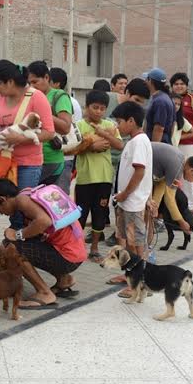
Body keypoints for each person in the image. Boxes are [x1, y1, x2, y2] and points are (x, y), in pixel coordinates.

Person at [0, 179, 87, 308]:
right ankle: (64, 280)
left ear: (3, 199)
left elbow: (44, 221)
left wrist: (18, 234)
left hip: (68, 257)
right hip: (75, 254)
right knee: (10, 245)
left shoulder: (22, 201)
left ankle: (45, 293)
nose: (1, 213)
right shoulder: (28, 194)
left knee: (14, 249)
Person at [0, 60, 54, 230]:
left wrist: (20, 139)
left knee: (20, 209)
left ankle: (18, 242)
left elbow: (49, 132)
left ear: (10, 81)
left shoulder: (36, 97)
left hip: (27, 165)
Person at [74, 90, 122, 262]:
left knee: (100, 213)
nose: (99, 111)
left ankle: (94, 249)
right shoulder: (78, 125)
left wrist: (104, 134)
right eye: (95, 107)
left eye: (102, 108)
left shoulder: (109, 126)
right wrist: (91, 146)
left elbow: (119, 145)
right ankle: (77, 248)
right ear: (87, 107)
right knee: (80, 215)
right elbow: (73, 148)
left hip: (104, 177)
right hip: (85, 178)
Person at [111, 101, 152, 260]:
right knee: (128, 240)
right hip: (126, 200)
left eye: (119, 122)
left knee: (135, 241)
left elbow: (139, 172)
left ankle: (140, 271)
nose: (117, 126)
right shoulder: (133, 141)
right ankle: (131, 270)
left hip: (133, 201)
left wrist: (125, 194)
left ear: (131, 121)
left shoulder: (140, 142)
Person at [148, 142, 193, 244]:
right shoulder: (177, 167)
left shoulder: (180, 161)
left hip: (141, 168)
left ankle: (144, 246)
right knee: (141, 217)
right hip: (132, 164)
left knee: (148, 215)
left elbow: (161, 183)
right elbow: (170, 199)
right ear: (191, 170)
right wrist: (181, 222)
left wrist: (155, 205)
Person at [26, 61, 73, 187]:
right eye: (29, 83)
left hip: (50, 160)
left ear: (46, 78)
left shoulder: (59, 96)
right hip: (30, 158)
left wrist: (43, 113)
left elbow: (65, 127)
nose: (32, 86)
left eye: (35, 82)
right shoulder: (29, 96)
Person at [170, 73, 193, 213]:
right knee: (172, 174)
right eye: (176, 84)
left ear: (186, 85)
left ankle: (190, 204)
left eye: (182, 84)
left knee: (188, 173)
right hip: (169, 144)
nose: (179, 86)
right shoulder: (167, 99)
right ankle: (172, 204)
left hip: (188, 143)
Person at [50, 66, 80, 194]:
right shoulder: (74, 101)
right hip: (65, 155)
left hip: (63, 155)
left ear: (57, 84)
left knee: (58, 196)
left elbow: (71, 128)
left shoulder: (66, 100)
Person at [143, 68, 175, 144]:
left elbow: (159, 128)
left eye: (146, 79)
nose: (145, 81)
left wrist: (154, 147)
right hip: (164, 142)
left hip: (159, 144)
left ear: (150, 80)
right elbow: (173, 124)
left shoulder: (160, 101)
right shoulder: (165, 97)